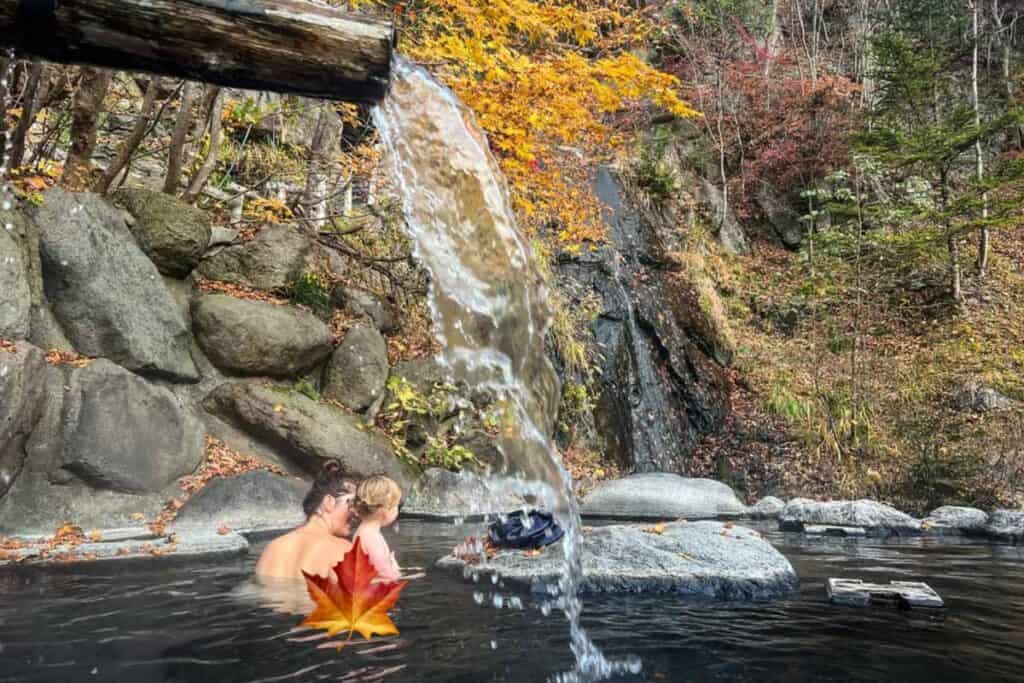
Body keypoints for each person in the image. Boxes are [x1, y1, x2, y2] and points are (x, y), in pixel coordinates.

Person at [254, 461, 360, 582]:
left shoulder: (273, 548)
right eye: (353, 504)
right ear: (329, 502)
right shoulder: (343, 550)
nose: (357, 513)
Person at [352, 475, 403, 582]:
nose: (397, 510)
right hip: (373, 592)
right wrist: (395, 570)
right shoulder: (372, 538)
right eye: (396, 506)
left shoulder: (363, 531)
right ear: (386, 510)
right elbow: (387, 575)